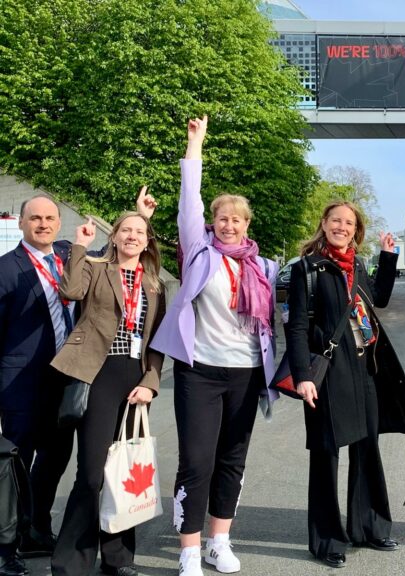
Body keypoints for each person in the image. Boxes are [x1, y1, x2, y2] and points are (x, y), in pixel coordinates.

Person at [0, 190, 155, 576]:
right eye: (35, 218)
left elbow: (155, 336)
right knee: (28, 464)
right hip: (44, 376)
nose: (44, 224)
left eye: (50, 218)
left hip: (97, 378)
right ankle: (17, 551)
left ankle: (45, 532)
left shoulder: (79, 256)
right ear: (21, 222)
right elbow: (74, 288)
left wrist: (137, 217)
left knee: (64, 461)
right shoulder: (12, 268)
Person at [149, 116, 278, 576]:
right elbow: (189, 203)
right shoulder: (199, 252)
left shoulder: (264, 267)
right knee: (197, 459)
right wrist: (195, 144)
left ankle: (218, 540)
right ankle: (189, 549)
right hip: (200, 371)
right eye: (221, 218)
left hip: (245, 373)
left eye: (236, 219)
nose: (228, 224)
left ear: (246, 225)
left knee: (231, 459)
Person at [284, 201, 405, 569]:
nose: (342, 227)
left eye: (349, 223)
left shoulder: (357, 265)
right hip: (327, 372)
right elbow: (296, 326)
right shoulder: (307, 269)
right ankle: (327, 539)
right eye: (336, 221)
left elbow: (378, 298)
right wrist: (303, 376)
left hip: (365, 369)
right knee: (327, 453)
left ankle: (370, 527)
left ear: (355, 230)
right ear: (324, 224)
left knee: (367, 448)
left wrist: (389, 256)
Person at [49, 211, 166, 576]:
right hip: (97, 375)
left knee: (124, 469)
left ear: (148, 241)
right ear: (114, 237)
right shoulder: (97, 267)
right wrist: (80, 246)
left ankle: (117, 560)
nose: (132, 236)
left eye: (139, 232)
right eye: (125, 231)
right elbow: (70, 291)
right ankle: (71, 562)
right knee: (92, 474)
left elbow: (157, 343)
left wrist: (150, 381)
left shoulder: (156, 284)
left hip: (134, 381)